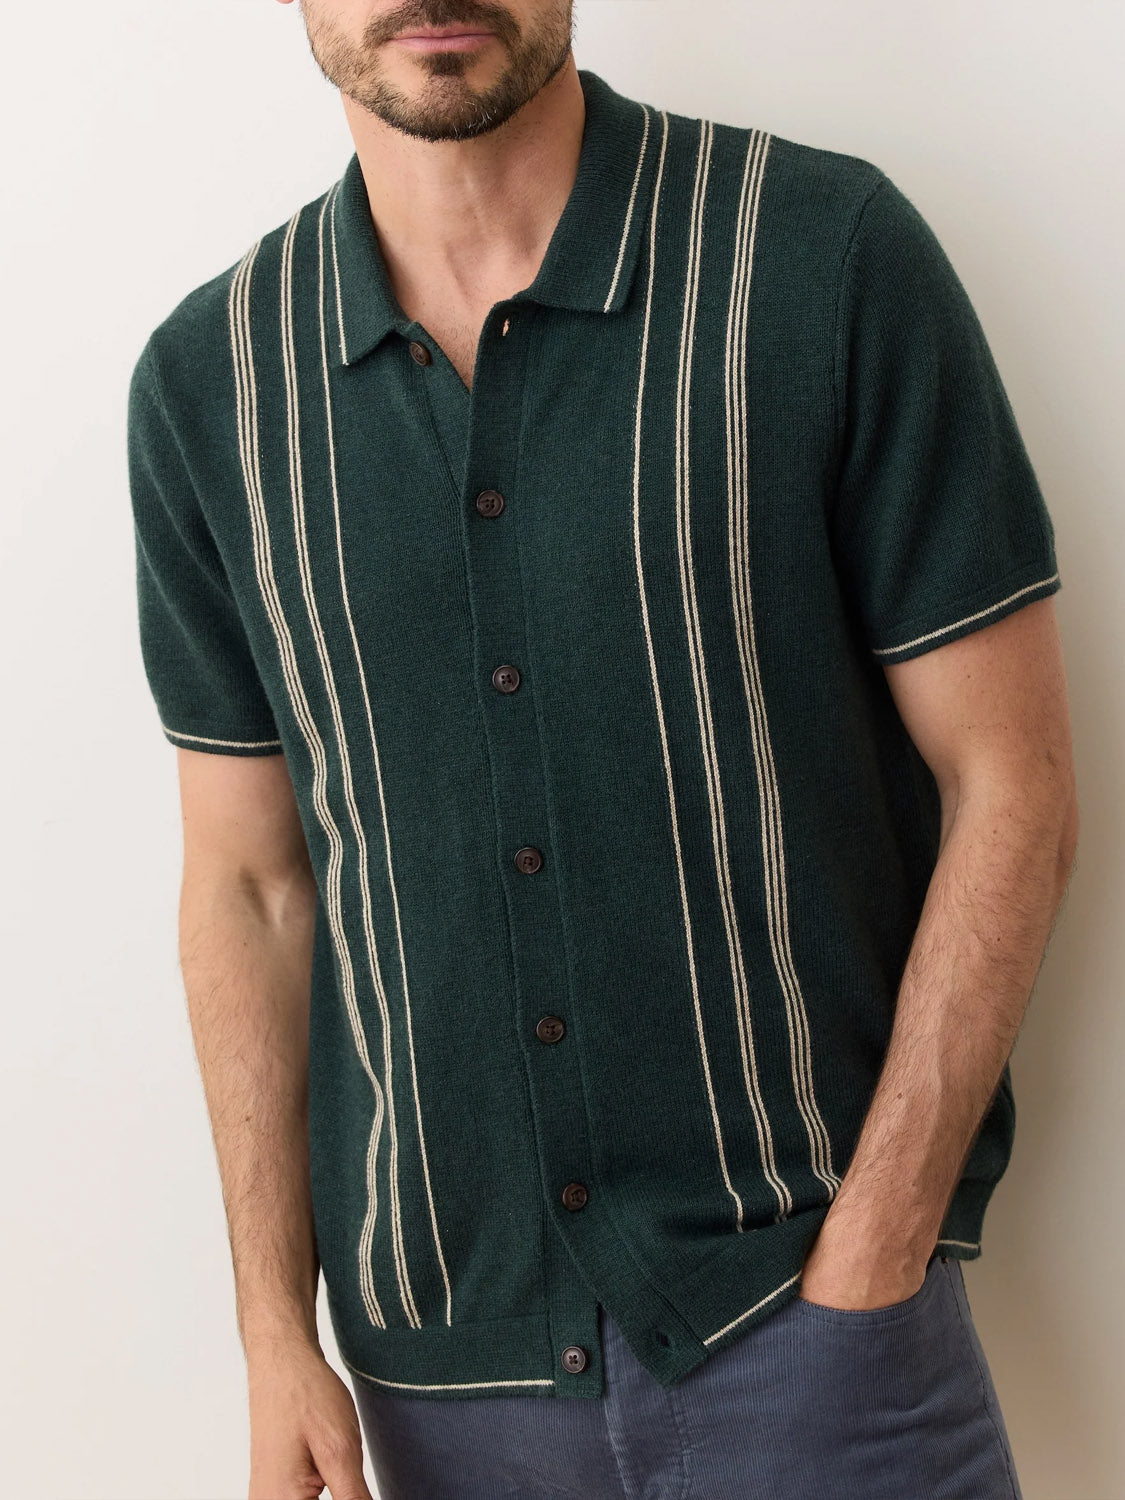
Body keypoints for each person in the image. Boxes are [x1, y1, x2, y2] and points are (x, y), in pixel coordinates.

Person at [125, 1, 1079, 1496]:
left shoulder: (818, 256)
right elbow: (249, 889)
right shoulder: (208, 391)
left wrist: (877, 1245)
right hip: (441, 1390)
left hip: (814, 1331)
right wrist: (271, 1334)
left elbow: (1007, 778)